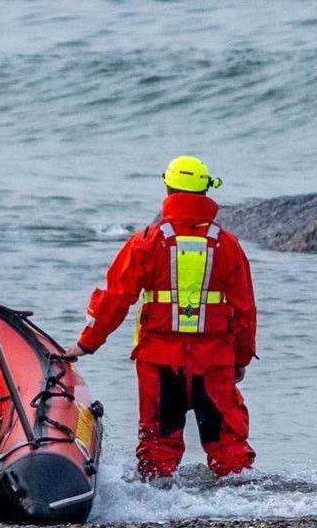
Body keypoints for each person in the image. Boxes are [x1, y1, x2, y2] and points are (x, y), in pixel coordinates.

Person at [68, 156, 257, 481]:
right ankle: (242, 503)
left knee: (157, 452)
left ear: (168, 190)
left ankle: (156, 503)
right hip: (214, 362)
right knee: (230, 451)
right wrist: (241, 359)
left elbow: (115, 299)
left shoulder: (147, 241)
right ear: (206, 192)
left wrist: (86, 344)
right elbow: (245, 311)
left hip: (159, 363)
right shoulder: (228, 245)